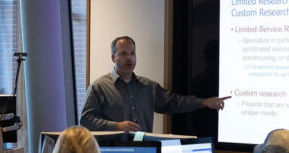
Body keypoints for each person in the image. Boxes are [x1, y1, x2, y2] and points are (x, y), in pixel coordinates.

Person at [80, 35, 230, 132]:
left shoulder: (147, 87)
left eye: (132, 53)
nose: (129, 58)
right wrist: (116, 126)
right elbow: (86, 121)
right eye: (124, 54)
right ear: (113, 57)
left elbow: (174, 102)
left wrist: (204, 102)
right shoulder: (99, 86)